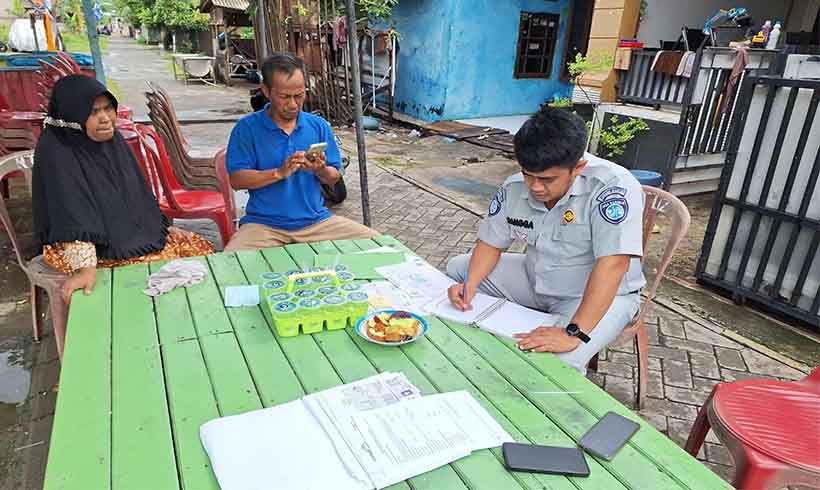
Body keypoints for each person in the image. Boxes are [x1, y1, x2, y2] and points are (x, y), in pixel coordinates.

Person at [445, 107, 645, 374]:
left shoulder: (612, 187)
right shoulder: (514, 186)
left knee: (557, 363)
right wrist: (470, 286)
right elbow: (491, 242)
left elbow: (614, 265)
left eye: (547, 179)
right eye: (528, 174)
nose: (535, 187)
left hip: (597, 293)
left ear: (578, 168)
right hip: (537, 278)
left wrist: (573, 332)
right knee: (459, 269)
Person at [33, 75, 214, 303]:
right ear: (72, 116)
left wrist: (161, 228)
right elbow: (71, 212)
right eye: (93, 112)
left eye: (108, 108)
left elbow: (135, 194)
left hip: (121, 234)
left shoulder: (111, 141)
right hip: (79, 247)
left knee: (197, 249)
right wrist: (85, 269)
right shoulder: (57, 151)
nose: (105, 118)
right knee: (161, 277)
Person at [223, 52, 377, 251]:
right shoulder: (247, 129)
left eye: (299, 95)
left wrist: (320, 170)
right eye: (285, 97)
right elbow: (237, 180)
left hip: (317, 223)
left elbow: (334, 177)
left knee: (377, 244)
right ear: (266, 91)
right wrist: (279, 172)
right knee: (231, 263)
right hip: (263, 225)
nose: (293, 104)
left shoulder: (318, 126)